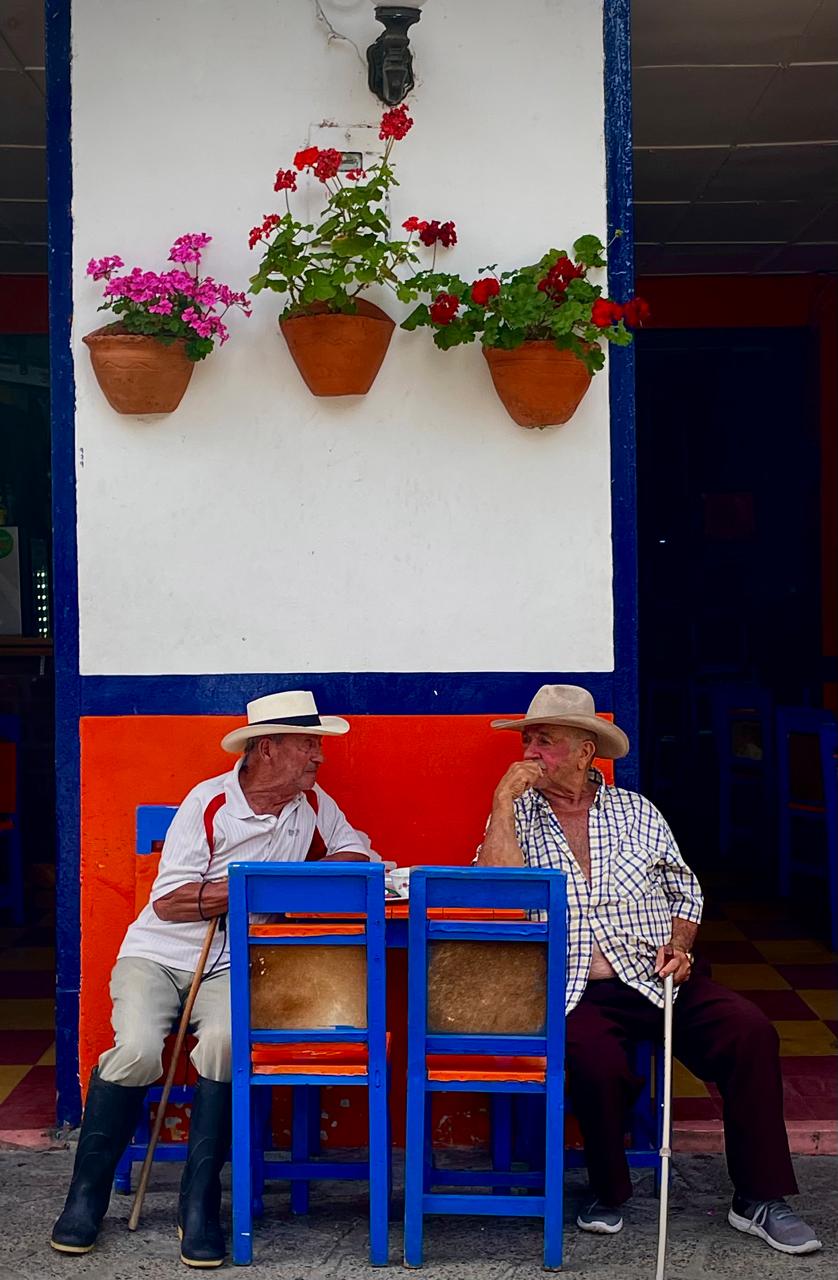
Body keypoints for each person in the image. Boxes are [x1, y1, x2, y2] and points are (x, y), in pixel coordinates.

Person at [477, 684, 822, 1256]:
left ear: (587, 751)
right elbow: (496, 896)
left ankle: (759, 1198)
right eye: (527, 739)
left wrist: (682, 947)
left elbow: (684, 890)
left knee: (750, 1031)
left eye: (546, 740)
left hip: (658, 976)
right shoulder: (517, 816)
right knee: (593, 1056)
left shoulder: (637, 811)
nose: (531, 751)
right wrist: (499, 805)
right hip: (576, 988)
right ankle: (609, 1191)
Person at [51, 690, 377, 1269]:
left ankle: (199, 1204)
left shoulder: (312, 805)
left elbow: (361, 856)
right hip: (157, 955)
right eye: (309, 744)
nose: (319, 757)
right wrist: (251, 887)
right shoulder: (209, 803)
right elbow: (171, 901)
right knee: (137, 1051)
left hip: (231, 965)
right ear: (267, 748)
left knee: (226, 1047)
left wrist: (292, 877)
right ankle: (86, 1198)